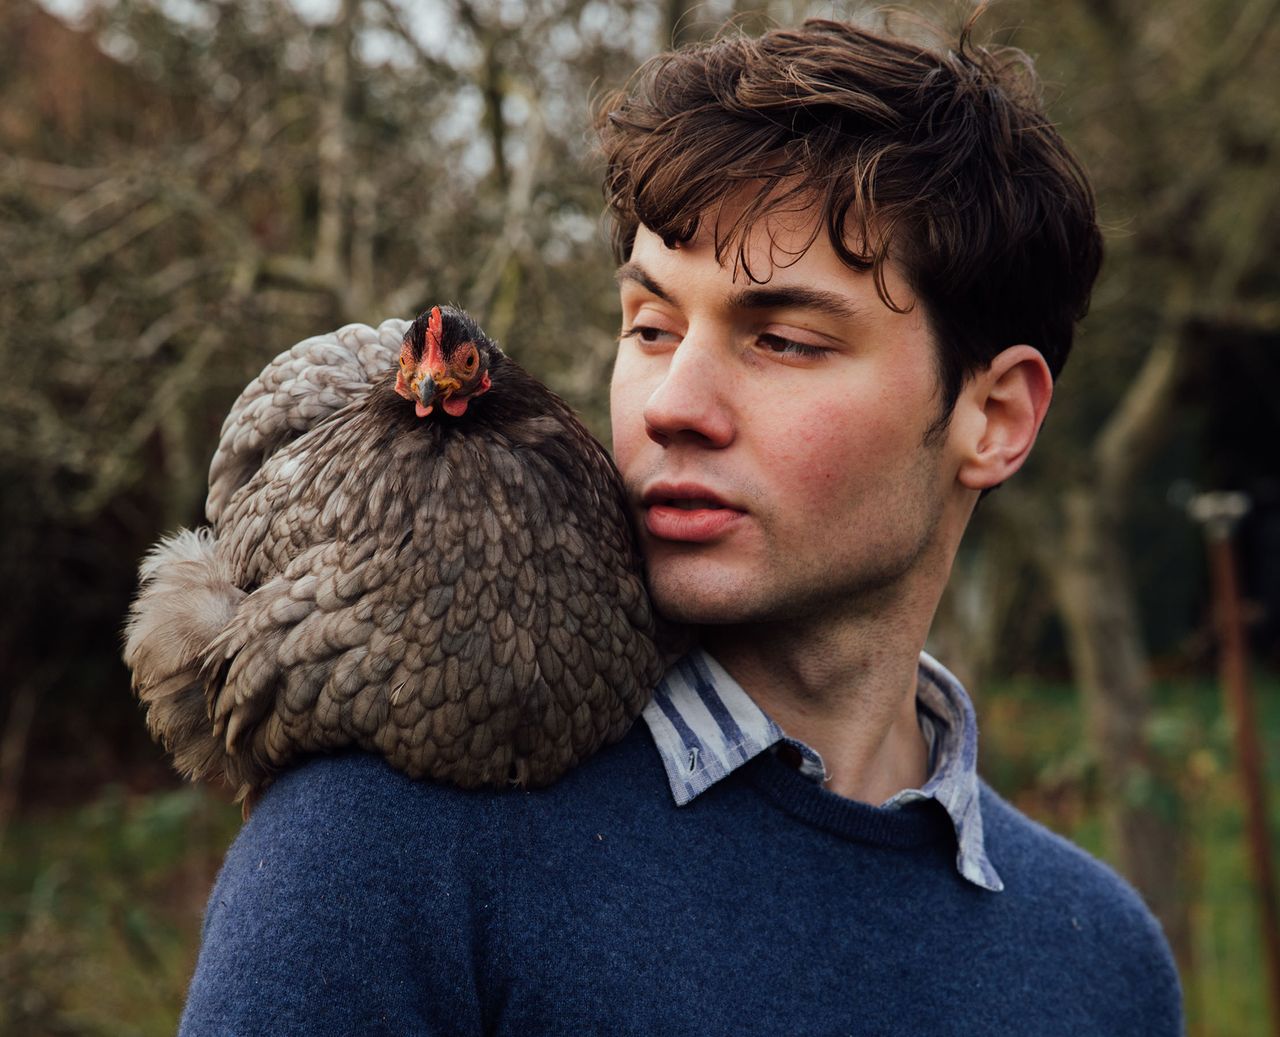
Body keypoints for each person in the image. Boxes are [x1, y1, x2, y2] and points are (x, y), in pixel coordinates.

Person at [178, 17, 1182, 1035]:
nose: (670, 403)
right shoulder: (384, 848)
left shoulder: (1098, 957)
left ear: (993, 417)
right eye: (650, 327)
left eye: (782, 340)